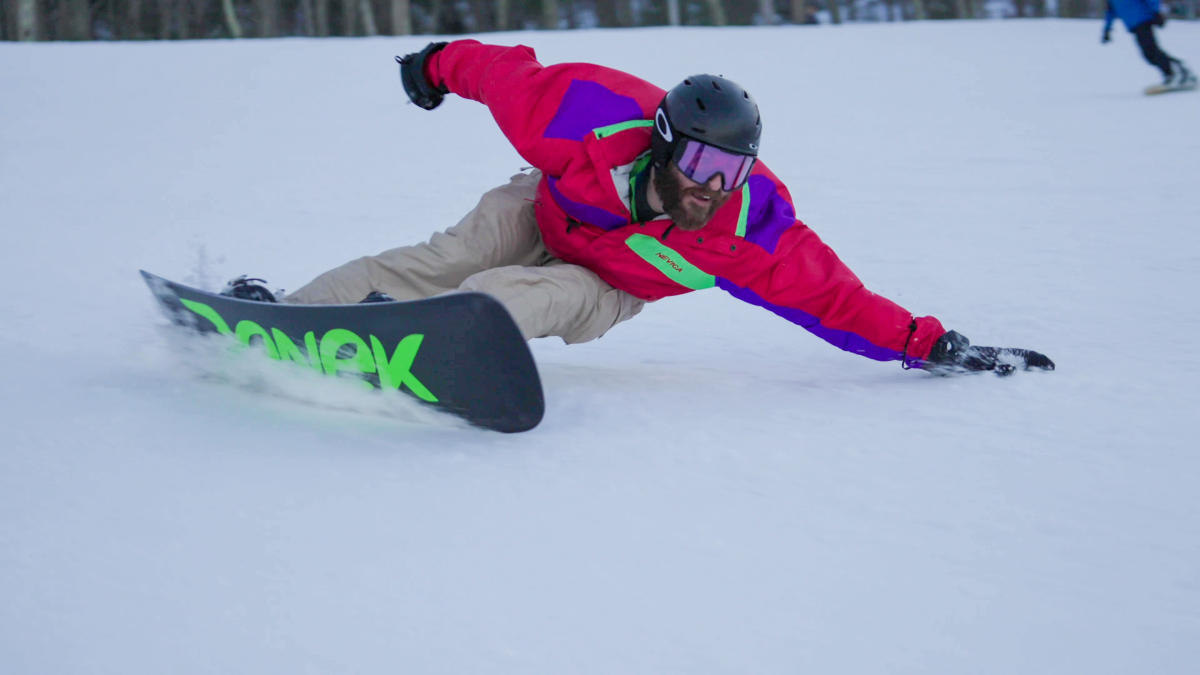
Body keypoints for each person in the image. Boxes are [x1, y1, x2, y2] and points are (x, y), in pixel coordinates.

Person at [226, 39, 1053, 375]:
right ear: (663, 142)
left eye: (731, 171)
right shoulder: (584, 113)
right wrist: (435, 66)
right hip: (545, 207)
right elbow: (504, 74)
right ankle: (290, 315)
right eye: (697, 162)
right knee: (442, 258)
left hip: (607, 286)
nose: (710, 185)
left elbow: (834, 298)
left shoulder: (748, 229)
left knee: (514, 298)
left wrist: (930, 344)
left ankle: (407, 344)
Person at [1101, 0, 1195, 89]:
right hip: (1134, 25)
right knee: (1150, 54)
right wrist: (1107, 29)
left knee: (1151, 52)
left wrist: (1157, 12)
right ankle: (1177, 71)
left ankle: (1177, 73)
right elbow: (1110, 11)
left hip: (1143, 20)